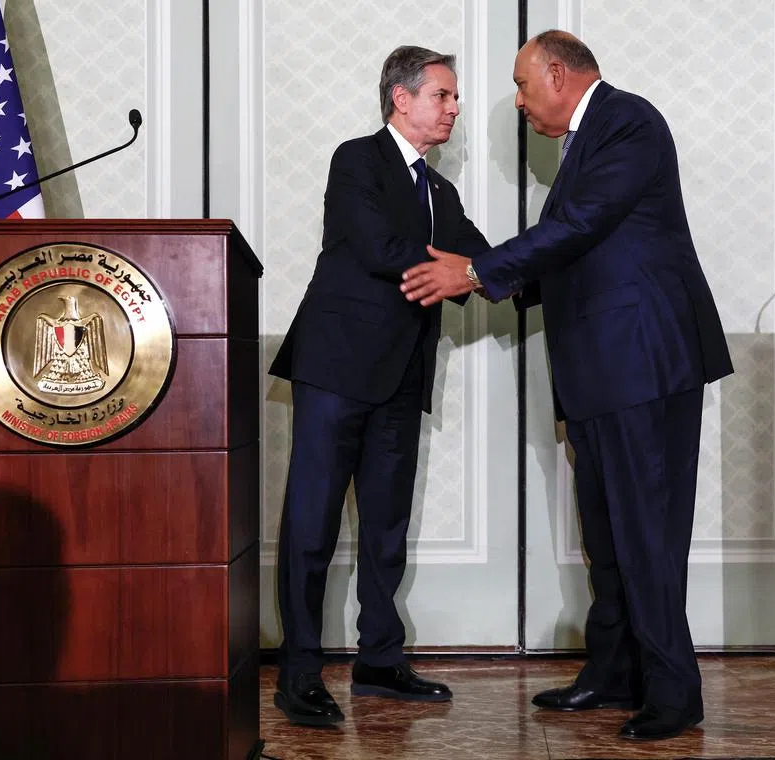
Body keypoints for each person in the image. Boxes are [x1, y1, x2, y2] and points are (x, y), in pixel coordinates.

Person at [400, 30, 733, 741]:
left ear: (557, 73)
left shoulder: (627, 121)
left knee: (646, 532)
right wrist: (481, 270)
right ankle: (614, 673)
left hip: (643, 362)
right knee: (608, 535)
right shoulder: (584, 144)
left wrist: (477, 273)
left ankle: (675, 693)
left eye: (522, 86)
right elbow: (574, 252)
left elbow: (582, 226)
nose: (518, 103)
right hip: (601, 372)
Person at [268, 45, 489, 727]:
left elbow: (483, 257)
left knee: (387, 527)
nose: (454, 109)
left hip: (400, 378)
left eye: (453, 99)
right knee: (312, 526)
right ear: (402, 98)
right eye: (443, 96)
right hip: (335, 368)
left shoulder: (440, 193)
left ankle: (380, 660)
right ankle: (300, 671)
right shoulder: (356, 160)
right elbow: (376, 248)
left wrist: (547, 272)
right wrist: (461, 271)